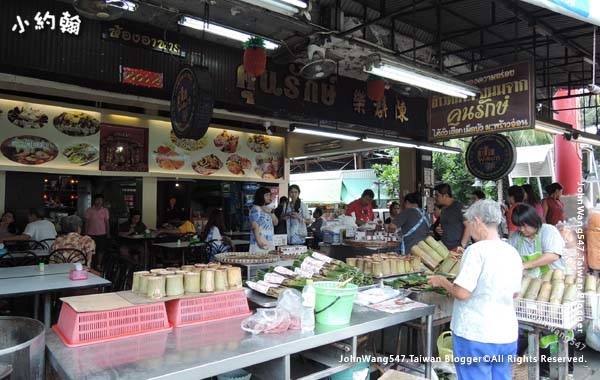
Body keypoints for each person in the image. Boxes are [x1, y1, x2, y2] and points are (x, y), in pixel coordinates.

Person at [428, 200, 522, 380]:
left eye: (470, 224)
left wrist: (442, 281)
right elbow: (514, 293)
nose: (470, 229)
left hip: (476, 335)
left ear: (478, 221)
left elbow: (462, 293)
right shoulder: (511, 252)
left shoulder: (476, 251)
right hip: (505, 334)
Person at [508, 203, 566, 278]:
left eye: (525, 226)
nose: (522, 229)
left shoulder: (548, 231)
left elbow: (553, 256)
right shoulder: (516, 237)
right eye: (519, 226)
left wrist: (525, 265)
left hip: (554, 280)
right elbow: (508, 255)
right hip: (530, 281)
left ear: (533, 221)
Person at [433, 183, 468, 250]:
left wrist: (462, 246)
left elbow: (469, 226)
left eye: (437, 195)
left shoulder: (459, 207)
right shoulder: (443, 209)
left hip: (456, 248)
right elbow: (445, 226)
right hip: (444, 248)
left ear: (445, 195)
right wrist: (438, 229)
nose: (435, 198)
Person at [249, 187, 278, 253]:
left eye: (269, 195)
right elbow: (255, 226)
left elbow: (276, 223)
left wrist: (270, 213)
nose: (269, 197)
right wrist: (259, 242)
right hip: (259, 241)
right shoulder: (255, 209)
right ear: (260, 196)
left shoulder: (268, 208)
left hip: (269, 240)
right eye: (266, 195)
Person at [85, 194, 109, 268]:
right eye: (97, 200)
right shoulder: (89, 210)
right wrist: (85, 233)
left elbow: (107, 222)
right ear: (94, 201)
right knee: (90, 250)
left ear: (102, 201)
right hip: (90, 233)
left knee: (100, 250)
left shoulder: (105, 210)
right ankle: (90, 264)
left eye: (100, 200)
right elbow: (86, 222)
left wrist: (108, 233)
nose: (98, 201)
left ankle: (99, 264)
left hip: (102, 233)